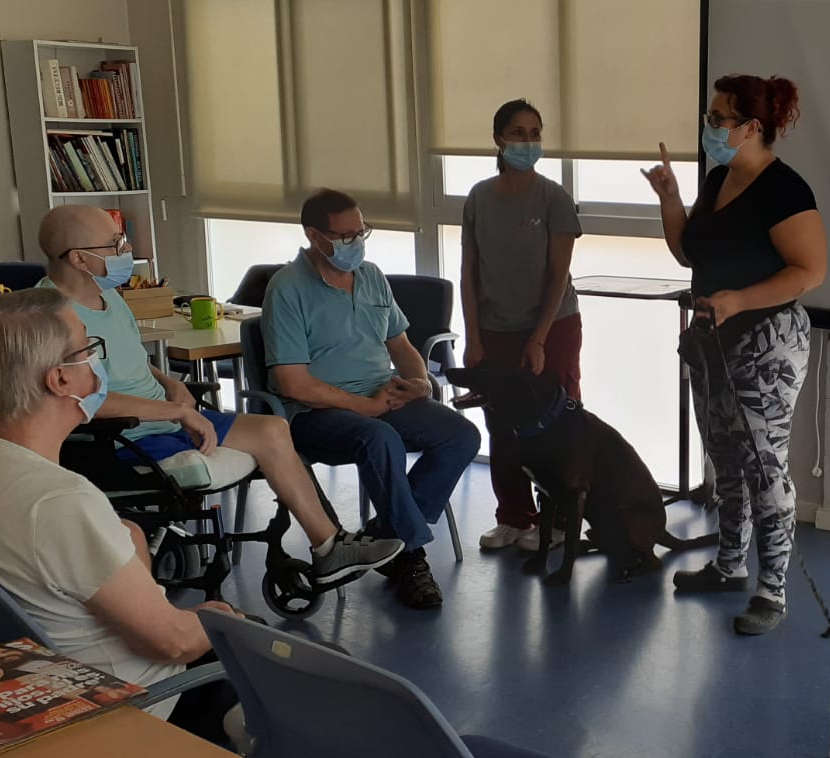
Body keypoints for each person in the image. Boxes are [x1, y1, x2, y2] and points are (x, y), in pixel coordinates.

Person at [35, 205, 403, 584]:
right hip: (123, 436)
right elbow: (84, 401)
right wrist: (174, 412)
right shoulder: (50, 316)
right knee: (270, 432)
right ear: (79, 258)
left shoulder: (109, 297)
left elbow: (133, 363)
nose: (125, 251)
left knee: (273, 429)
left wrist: (170, 383)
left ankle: (329, 548)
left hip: (162, 415)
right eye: (115, 244)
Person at [0, 288, 242, 743]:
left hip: (39, 678)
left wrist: (126, 537)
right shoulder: (60, 500)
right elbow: (175, 641)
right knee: (293, 658)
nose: (98, 363)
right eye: (88, 349)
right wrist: (222, 617)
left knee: (133, 531)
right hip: (136, 699)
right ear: (59, 380)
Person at [642, 74, 828, 635]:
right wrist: (671, 198)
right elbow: (687, 251)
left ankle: (771, 592)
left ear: (753, 127)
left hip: (767, 345)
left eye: (720, 119)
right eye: (710, 117)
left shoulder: (785, 190)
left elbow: (810, 271)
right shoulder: (719, 178)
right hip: (712, 342)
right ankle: (729, 566)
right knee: (724, 460)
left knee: (764, 469)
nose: (710, 128)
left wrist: (740, 300)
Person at [263, 188, 483, 609]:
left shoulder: (372, 276)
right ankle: (411, 556)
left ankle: (384, 537)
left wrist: (421, 383)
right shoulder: (287, 288)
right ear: (314, 235)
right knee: (380, 439)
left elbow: (401, 347)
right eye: (344, 236)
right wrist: (365, 407)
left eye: (361, 232)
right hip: (316, 413)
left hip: (383, 399)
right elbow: (292, 383)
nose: (356, 243)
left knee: (461, 436)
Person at [461, 99, 584, 552]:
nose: (528, 141)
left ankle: (560, 520)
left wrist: (538, 339)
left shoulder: (553, 198)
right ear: (498, 140)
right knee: (502, 423)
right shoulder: (479, 198)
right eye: (518, 132)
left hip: (554, 326)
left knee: (557, 422)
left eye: (535, 133)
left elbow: (559, 276)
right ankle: (514, 516)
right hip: (496, 329)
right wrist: (473, 338)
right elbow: (468, 274)